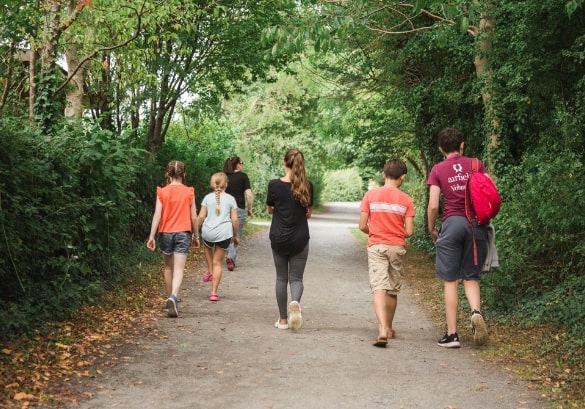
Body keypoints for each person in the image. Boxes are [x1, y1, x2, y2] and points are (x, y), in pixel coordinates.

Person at [426, 127, 490, 348]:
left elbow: (434, 204)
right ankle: (475, 312)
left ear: (441, 148)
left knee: (450, 280)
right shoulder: (476, 164)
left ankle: (452, 335)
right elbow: (489, 191)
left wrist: (431, 227)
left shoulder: (438, 169)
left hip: (452, 225)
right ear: (462, 145)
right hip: (475, 227)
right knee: (471, 277)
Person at [359, 159, 415, 348]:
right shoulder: (406, 199)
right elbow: (409, 231)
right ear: (403, 177)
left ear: (383, 174)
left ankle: (381, 329)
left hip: (377, 245)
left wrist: (374, 231)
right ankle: (389, 328)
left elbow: (361, 225)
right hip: (396, 247)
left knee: (378, 287)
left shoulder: (370, 195)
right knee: (392, 289)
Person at [266, 148, 313, 331]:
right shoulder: (307, 186)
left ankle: (283, 320)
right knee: (296, 278)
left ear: (283, 162)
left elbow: (270, 209)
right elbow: (308, 213)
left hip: (279, 237)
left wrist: (277, 209)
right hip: (300, 238)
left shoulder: (274, 185)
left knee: (281, 278)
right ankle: (295, 302)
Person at [147, 160, 199, 318]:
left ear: (167, 174)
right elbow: (194, 216)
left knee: (168, 268)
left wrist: (151, 236)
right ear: (184, 174)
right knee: (178, 269)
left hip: (165, 233)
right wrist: (196, 235)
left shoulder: (162, 192)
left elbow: (157, 214)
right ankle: (173, 297)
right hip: (183, 232)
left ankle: (170, 298)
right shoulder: (189, 191)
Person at [197, 172, 239, 302]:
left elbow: (200, 217)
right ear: (226, 184)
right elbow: (235, 220)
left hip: (208, 232)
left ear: (212, 184)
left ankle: (210, 271)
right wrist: (236, 236)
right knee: (218, 263)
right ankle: (213, 292)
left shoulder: (207, 198)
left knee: (207, 246)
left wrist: (195, 233)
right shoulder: (231, 199)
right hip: (224, 233)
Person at [222, 156, 254, 272]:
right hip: (239, 209)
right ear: (238, 165)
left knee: (226, 235)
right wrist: (250, 208)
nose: (242, 165)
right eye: (242, 163)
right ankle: (231, 257)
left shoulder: (223, 177)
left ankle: (228, 255)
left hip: (224, 210)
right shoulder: (243, 176)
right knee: (237, 235)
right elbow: (249, 195)